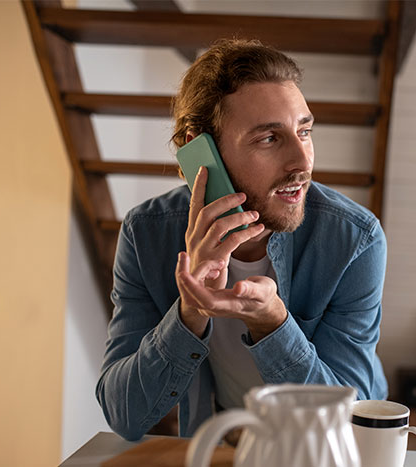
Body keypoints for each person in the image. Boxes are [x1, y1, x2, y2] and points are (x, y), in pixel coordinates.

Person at [96, 39, 388, 441]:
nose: (302, 162)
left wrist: (273, 323)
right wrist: (189, 314)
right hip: (224, 442)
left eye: (304, 131)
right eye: (269, 138)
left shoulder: (354, 240)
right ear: (198, 151)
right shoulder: (147, 234)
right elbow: (123, 415)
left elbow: (349, 423)